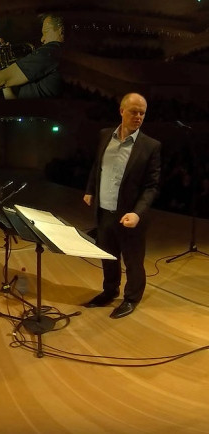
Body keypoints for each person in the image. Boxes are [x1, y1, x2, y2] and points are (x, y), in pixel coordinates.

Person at [82, 93, 161, 319]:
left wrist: (137, 213)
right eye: (134, 111)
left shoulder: (151, 146)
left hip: (130, 215)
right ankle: (109, 291)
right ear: (121, 111)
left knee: (133, 261)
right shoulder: (105, 135)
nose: (138, 116)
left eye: (142, 113)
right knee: (108, 255)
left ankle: (131, 298)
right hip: (104, 210)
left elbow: (151, 186)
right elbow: (98, 166)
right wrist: (90, 189)